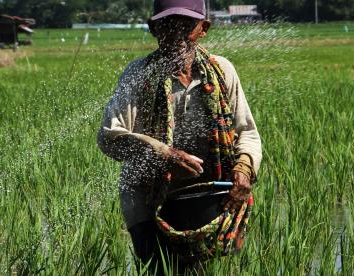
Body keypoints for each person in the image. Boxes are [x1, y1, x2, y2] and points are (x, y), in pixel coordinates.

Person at [97, 0, 262, 272]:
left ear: (203, 28)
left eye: (185, 25)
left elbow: (247, 133)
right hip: (148, 201)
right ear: (154, 30)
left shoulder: (222, 72)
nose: (175, 35)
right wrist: (164, 154)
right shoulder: (139, 75)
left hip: (207, 198)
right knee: (160, 269)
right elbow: (110, 137)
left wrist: (244, 169)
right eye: (166, 26)